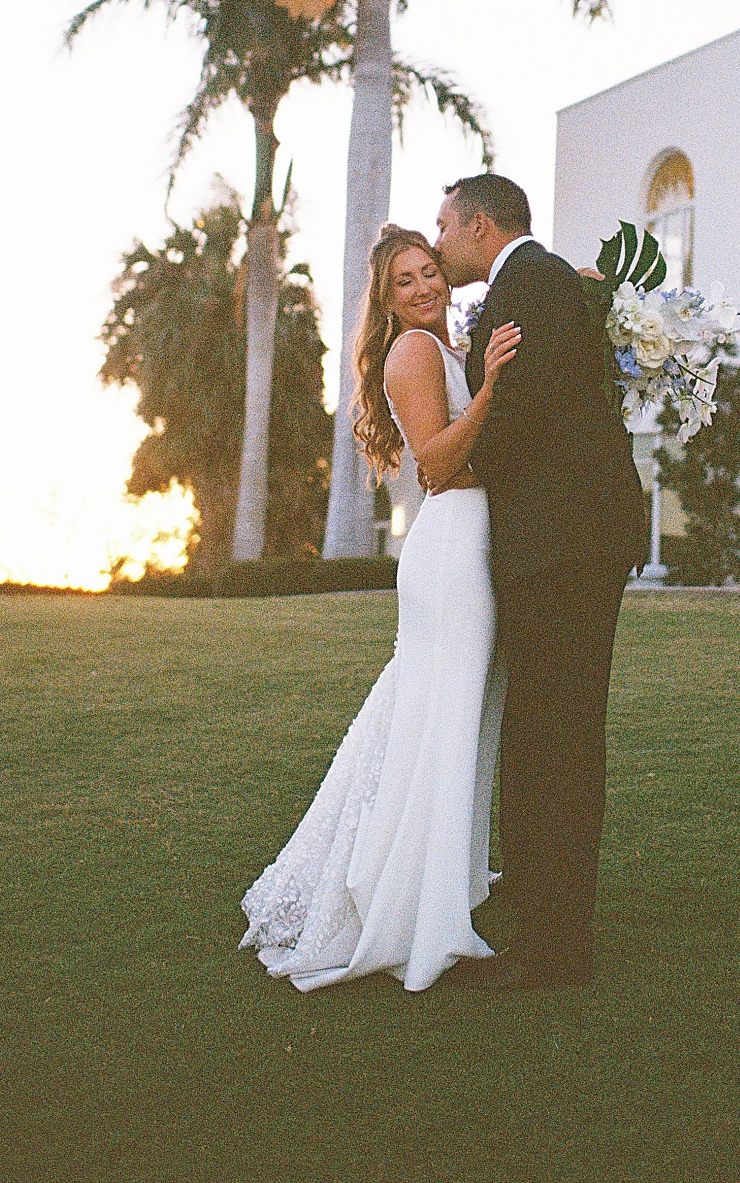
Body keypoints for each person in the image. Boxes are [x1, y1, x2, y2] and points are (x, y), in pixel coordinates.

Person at [239, 224, 521, 992]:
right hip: (454, 547)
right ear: (387, 299)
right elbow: (434, 461)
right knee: (444, 716)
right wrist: (492, 390)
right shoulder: (415, 352)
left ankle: (436, 882)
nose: (426, 286)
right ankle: (417, 907)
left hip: (466, 546)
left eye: (431, 271)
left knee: (443, 715)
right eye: (407, 280)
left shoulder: (444, 345)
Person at [433, 172, 650, 989]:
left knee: (555, 742)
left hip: (565, 549)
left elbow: (517, 420)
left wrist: (452, 460)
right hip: (569, 544)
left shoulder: (529, 287)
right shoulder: (539, 282)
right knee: (546, 734)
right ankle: (537, 902)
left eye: (445, 227)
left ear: (482, 226)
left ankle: (556, 949)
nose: (440, 241)